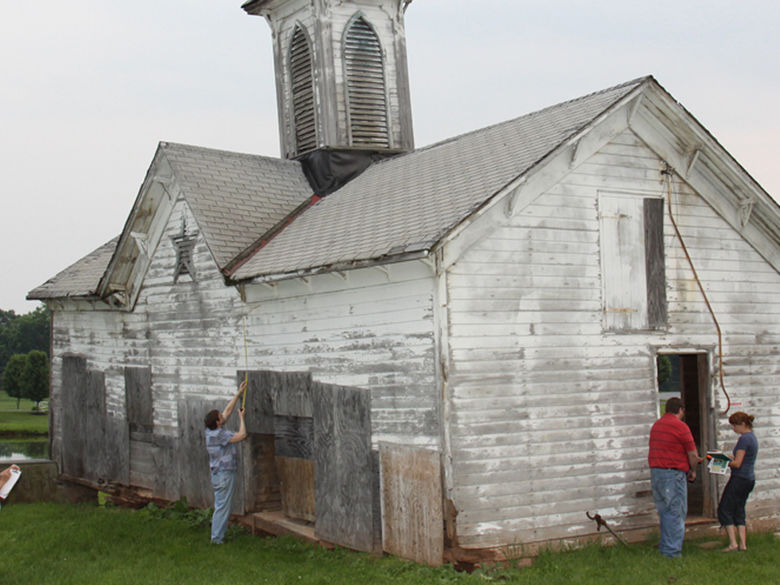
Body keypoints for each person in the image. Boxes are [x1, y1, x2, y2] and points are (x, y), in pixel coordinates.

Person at [648, 397, 703, 558]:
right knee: (676, 512)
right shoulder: (681, 427)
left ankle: (665, 548)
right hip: (672, 474)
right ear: (680, 410)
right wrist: (693, 470)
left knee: (664, 511)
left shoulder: (657, 425)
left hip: (657, 472)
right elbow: (693, 454)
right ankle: (672, 552)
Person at [204, 380, 248, 544]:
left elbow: (227, 411)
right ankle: (216, 538)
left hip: (218, 474)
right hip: (224, 474)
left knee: (221, 505)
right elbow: (241, 436)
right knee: (223, 507)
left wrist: (238, 393)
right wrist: (242, 418)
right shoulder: (219, 435)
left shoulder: (210, 430)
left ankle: (217, 536)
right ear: (217, 422)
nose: (223, 416)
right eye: (220, 417)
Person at [717, 411, 758, 552]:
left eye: (734, 425)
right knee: (739, 508)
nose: (733, 429)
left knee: (725, 508)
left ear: (743, 424)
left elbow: (737, 463)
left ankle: (733, 543)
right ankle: (743, 544)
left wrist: (722, 461)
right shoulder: (752, 438)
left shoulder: (744, 439)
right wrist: (726, 457)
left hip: (739, 478)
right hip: (749, 479)